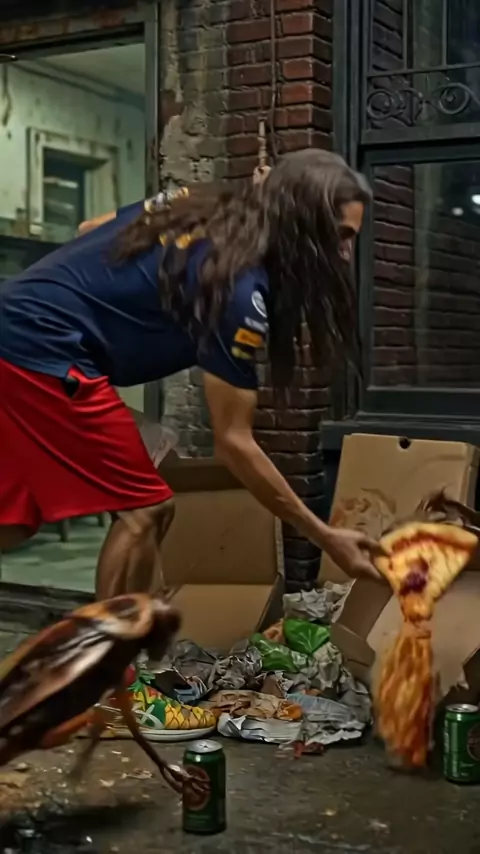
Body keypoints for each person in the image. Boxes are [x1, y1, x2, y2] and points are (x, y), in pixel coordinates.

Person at [0, 148, 383, 734]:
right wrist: (324, 534)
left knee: (16, 522)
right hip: (42, 351)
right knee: (146, 508)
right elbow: (234, 443)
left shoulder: (197, 204)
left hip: (24, 333)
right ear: (301, 223)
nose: (346, 253)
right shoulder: (241, 291)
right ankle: (112, 690)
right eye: (341, 236)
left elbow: (89, 229)